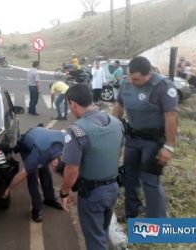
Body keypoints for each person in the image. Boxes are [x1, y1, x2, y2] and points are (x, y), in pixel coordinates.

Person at [59, 84, 124, 250]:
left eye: (69, 105)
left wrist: (64, 192)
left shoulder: (76, 131)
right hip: (113, 188)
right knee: (101, 231)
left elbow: (71, 169)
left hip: (92, 195)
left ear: (73, 104)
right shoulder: (116, 123)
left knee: (95, 241)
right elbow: (119, 151)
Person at [112, 56, 178, 220]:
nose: (132, 81)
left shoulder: (163, 87)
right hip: (133, 138)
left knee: (150, 181)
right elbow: (118, 106)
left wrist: (169, 146)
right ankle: (131, 214)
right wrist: (115, 133)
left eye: (136, 79)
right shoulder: (126, 83)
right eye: (130, 77)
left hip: (153, 142)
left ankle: (157, 223)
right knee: (130, 177)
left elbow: (171, 116)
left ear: (148, 74)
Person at [2, 127, 64, 222]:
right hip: (28, 146)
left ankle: (49, 198)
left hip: (43, 137)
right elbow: (21, 175)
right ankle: (36, 208)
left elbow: (68, 135)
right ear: (55, 163)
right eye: (56, 171)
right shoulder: (39, 154)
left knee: (46, 172)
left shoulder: (68, 143)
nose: (56, 172)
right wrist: (9, 189)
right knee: (32, 175)